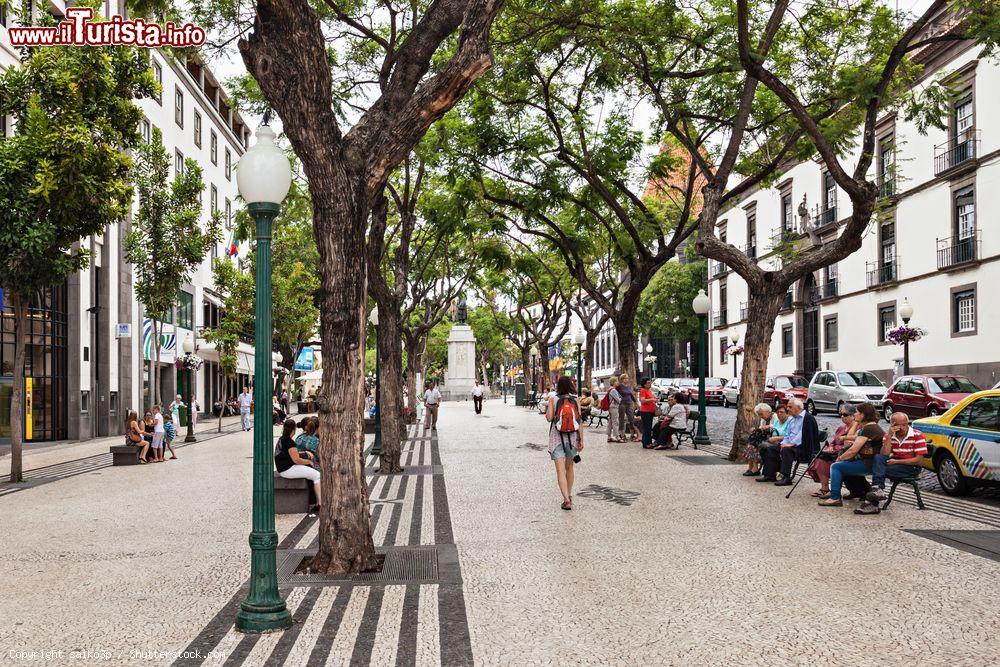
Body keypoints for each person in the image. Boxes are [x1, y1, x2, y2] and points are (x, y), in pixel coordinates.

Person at [855, 412, 928, 515]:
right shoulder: (889, 435)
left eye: (904, 424)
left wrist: (897, 461)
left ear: (908, 423)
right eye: (898, 425)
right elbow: (884, 454)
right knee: (878, 458)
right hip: (894, 464)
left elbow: (919, 460)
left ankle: (873, 501)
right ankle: (877, 490)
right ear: (892, 425)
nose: (902, 427)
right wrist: (889, 436)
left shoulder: (917, 435)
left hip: (911, 467)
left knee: (879, 469)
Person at [820, 402, 884, 507]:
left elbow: (853, 450)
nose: (854, 414)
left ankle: (835, 497)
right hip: (867, 461)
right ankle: (855, 492)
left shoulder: (869, 428)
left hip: (868, 464)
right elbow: (856, 438)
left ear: (863, 415)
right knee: (844, 464)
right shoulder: (869, 427)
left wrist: (840, 458)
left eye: (857, 412)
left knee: (836, 466)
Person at [546, 376, 585, 511]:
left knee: (560, 470)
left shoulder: (553, 399)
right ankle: (569, 494)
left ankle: (566, 500)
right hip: (573, 438)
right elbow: (580, 421)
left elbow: (549, 418)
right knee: (570, 468)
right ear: (570, 385)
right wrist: (581, 439)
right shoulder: (575, 400)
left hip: (557, 438)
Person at [759, 398, 819, 485]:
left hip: (802, 446)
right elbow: (787, 435)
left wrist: (789, 445)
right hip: (790, 444)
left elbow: (801, 435)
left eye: (790, 407)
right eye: (788, 407)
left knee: (787, 451)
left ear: (798, 407)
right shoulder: (793, 419)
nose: (788, 409)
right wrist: (783, 443)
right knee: (771, 448)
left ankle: (786, 477)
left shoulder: (807, 418)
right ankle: (770, 475)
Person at [806, 404, 858, 497]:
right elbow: (834, 441)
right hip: (833, 453)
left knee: (825, 461)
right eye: (841, 414)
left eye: (845, 415)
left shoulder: (856, 428)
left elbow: (848, 445)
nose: (842, 417)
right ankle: (824, 488)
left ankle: (831, 491)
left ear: (853, 416)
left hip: (844, 455)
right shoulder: (841, 427)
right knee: (818, 459)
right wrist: (830, 447)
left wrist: (834, 449)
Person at [274, 419, 321, 513]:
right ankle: (319, 503)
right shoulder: (289, 442)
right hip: (288, 469)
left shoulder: (283, 439)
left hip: (283, 468)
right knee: (317, 475)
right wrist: (309, 462)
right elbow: (296, 460)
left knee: (312, 473)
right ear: (294, 429)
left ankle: (315, 501)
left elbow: (292, 453)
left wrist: (304, 452)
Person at [743, 403, 775, 475]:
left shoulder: (775, 417)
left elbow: (776, 426)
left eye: (761, 414)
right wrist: (756, 429)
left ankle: (755, 468)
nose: (760, 416)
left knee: (755, 445)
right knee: (751, 444)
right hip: (764, 437)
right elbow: (761, 427)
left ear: (768, 411)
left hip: (772, 438)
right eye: (759, 414)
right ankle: (751, 466)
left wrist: (768, 426)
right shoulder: (763, 419)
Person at [617, 373, 639, 442]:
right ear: (622, 379)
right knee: (622, 419)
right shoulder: (619, 386)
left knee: (631, 418)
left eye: (627, 378)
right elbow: (615, 393)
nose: (627, 379)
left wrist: (636, 402)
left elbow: (631, 394)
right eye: (625, 378)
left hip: (629, 403)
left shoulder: (629, 386)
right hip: (622, 404)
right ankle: (622, 434)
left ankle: (632, 434)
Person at [638, 378, 658, 449]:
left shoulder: (649, 391)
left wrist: (655, 399)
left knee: (648, 427)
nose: (650, 384)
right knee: (647, 428)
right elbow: (642, 401)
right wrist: (652, 399)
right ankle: (647, 443)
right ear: (644, 384)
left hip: (650, 411)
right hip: (645, 411)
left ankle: (646, 441)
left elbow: (650, 399)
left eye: (650, 382)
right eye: (648, 383)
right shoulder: (643, 390)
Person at [605, 376, 623, 443]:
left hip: (610, 407)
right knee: (615, 422)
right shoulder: (613, 390)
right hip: (614, 407)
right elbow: (618, 400)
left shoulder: (610, 389)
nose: (617, 382)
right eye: (616, 381)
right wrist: (621, 398)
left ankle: (609, 437)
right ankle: (617, 437)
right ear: (613, 382)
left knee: (610, 422)